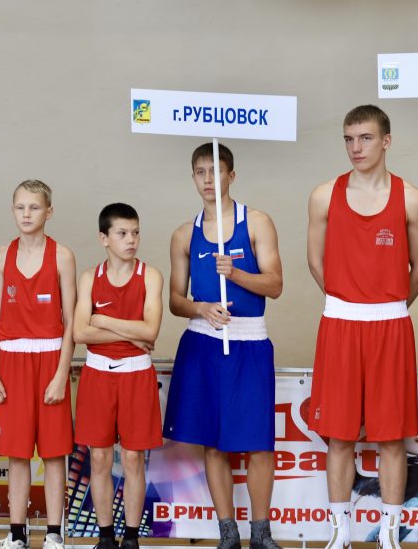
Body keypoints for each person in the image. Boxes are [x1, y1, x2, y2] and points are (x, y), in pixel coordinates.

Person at [306, 104, 418, 549]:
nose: (355, 147)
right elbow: (316, 262)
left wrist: (388, 307)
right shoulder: (324, 195)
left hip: (390, 327)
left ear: (386, 141)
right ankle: (340, 534)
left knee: (392, 438)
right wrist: (348, 302)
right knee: (339, 437)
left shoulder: (412, 198)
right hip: (340, 324)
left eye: (365, 138)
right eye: (348, 139)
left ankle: (390, 536)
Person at [163, 143, 284, 549]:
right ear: (193, 177)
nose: (208, 180)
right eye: (200, 172)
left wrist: (236, 273)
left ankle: (261, 534)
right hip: (204, 344)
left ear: (231, 176)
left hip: (249, 342)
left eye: (215, 172)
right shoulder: (184, 233)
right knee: (213, 443)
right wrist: (200, 307)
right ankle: (227, 533)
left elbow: (275, 284)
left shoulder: (257, 222)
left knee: (258, 443)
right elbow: (175, 300)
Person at [0, 180, 77, 549]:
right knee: (17, 454)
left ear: (49, 212)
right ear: (13, 210)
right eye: (20, 207)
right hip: (12, 361)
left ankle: (54, 533)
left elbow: (71, 321)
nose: (26, 214)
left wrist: (61, 373)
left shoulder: (62, 256)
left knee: (54, 454)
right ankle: (17, 532)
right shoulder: (1, 255)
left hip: (50, 359)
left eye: (34, 207)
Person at [74, 203, 164, 549]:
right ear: (104, 238)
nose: (131, 240)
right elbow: (80, 333)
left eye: (136, 233)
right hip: (98, 374)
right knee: (98, 457)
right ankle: (106, 536)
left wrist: (103, 320)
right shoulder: (89, 277)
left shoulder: (150, 276)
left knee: (132, 458)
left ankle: (131, 537)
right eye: (123, 233)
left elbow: (151, 330)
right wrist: (133, 333)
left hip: (136, 375)